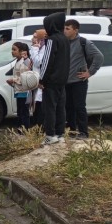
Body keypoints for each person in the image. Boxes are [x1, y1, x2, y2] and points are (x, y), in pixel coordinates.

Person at [63, 19, 103, 139]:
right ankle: (72, 131)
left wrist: (89, 72)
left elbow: (99, 56)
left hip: (79, 82)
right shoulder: (64, 42)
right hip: (66, 82)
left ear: (75, 30)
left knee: (79, 107)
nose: (65, 31)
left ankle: (83, 132)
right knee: (68, 107)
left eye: (68, 28)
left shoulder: (83, 42)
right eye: (64, 28)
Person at [39, 12, 70, 145]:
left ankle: (50, 135)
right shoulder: (64, 39)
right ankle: (60, 134)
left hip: (51, 81)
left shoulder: (52, 40)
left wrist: (41, 80)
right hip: (62, 80)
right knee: (60, 108)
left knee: (50, 108)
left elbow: (47, 61)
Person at [7, 42, 32, 131]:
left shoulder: (24, 62)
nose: (12, 52)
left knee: (24, 112)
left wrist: (13, 80)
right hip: (19, 90)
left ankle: (25, 130)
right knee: (20, 112)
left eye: (14, 49)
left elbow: (25, 77)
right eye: (12, 49)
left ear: (21, 51)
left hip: (24, 91)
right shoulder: (17, 61)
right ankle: (21, 128)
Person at [29, 29, 47, 126]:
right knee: (35, 107)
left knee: (40, 107)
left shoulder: (44, 48)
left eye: (35, 37)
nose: (33, 38)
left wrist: (35, 49)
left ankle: (40, 129)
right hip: (35, 83)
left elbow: (38, 62)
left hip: (41, 83)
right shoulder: (37, 48)